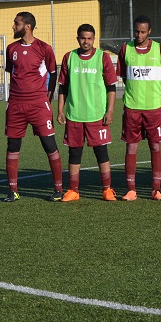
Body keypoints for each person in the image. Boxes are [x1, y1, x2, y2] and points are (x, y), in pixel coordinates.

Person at [4, 11, 64, 202]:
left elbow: (53, 74)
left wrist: (48, 97)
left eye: (17, 23)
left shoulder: (44, 48)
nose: (13, 26)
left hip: (38, 104)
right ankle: (12, 190)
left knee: (49, 145)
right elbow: (13, 73)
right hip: (16, 105)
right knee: (13, 146)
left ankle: (58, 189)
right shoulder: (11, 48)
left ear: (27, 26)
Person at [57, 24, 118, 202]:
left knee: (101, 153)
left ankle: (107, 189)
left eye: (89, 38)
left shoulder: (102, 57)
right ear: (78, 38)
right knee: (74, 153)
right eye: (83, 38)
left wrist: (110, 110)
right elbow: (63, 87)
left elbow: (111, 87)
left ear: (94, 39)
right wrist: (60, 110)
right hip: (74, 114)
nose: (86, 41)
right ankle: (73, 190)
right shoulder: (69, 57)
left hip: (97, 115)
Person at [117, 15, 161, 201]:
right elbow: (124, 76)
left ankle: (156, 190)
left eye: (143, 32)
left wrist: (155, 94)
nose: (139, 35)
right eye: (136, 31)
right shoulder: (126, 49)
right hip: (132, 107)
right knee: (131, 147)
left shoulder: (159, 49)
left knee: (155, 146)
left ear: (149, 32)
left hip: (153, 107)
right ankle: (131, 190)